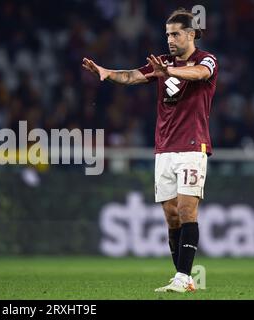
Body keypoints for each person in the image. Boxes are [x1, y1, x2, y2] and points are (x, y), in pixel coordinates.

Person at [82, 8, 218, 293]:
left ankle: (183, 277)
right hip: (164, 147)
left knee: (186, 208)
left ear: (191, 34)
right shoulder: (163, 62)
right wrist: (108, 72)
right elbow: (132, 76)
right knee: (170, 214)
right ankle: (183, 277)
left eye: (176, 34)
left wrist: (169, 71)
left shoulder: (205, 59)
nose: (169, 39)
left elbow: (200, 73)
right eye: (167, 34)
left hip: (193, 145)